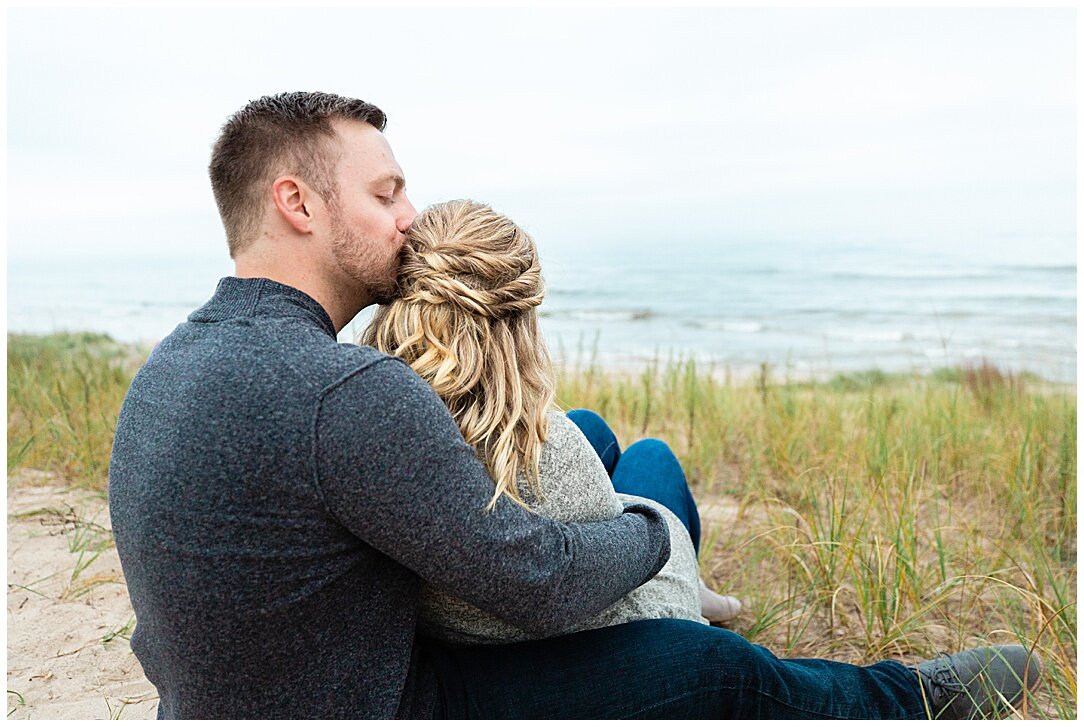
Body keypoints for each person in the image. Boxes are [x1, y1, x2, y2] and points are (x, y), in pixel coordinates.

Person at [108, 91, 1040, 719]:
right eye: (387, 192)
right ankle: (906, 696)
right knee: (699, 662)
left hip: (231, 693)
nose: (408, 217)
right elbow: (536, 578)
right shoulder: (344, 389)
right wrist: (653, 532)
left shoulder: (178, 361)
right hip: (385, 701)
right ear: (296, 203)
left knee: (585, 434)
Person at [359, 199, 740, 644]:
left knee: (589, 423)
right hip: (622, 624)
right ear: (520, 320)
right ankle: (696, 590)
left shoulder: (377, 420)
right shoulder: (554, 451)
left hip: (460, 623)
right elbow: (606, 571)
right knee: (650, 456)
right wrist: (655, 530)